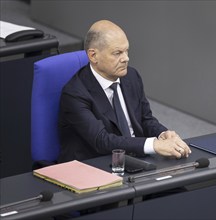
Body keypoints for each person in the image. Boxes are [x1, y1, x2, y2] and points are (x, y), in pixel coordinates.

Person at [57, 20, 191, 163]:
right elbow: (102, 141)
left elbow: (146, 119)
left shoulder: (131, 76)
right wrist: (153, 145)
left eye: (126, 51)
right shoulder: (75, 93)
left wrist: (163, 134)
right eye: (117, 53)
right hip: (96, 166)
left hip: (135, 160)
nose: (126, 58)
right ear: (93, 56)